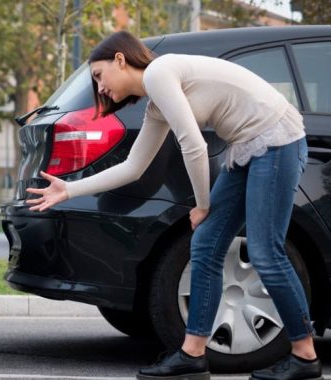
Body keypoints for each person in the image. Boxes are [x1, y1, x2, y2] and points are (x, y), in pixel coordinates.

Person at [26, 31, 322, 380]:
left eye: (98, 75)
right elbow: (133, 167)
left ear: (121, 59)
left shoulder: (159, 72)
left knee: (265, 251)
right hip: (248, 148)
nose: (100, 87)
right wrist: (69, 189)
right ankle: (192, 354)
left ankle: (305, 357)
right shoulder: (157, 102)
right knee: (207, 243)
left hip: (276, 141)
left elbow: (193, 146)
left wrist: (201, 205)